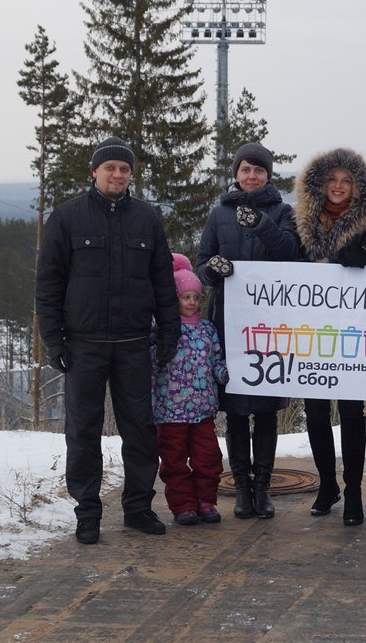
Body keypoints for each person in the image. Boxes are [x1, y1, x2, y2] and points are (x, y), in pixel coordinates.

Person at [35, 135, 180, 544]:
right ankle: (88, 513)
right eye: (110, 167)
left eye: (124, 168)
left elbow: (163, 283)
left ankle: (137, 508)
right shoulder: (66, 218)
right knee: (83, 431)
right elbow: (48, 285)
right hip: (84, 345)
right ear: (94, 171)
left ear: (131, 175)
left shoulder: (147, 220)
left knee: (140, 430)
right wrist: (55, 340)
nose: (118, 174)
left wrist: (169, 332)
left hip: (134, 343)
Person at [195, 142, 299, 520]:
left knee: (267, 411)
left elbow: (291, 253)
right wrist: (214, 269)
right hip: (229, 323)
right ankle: (241, 488)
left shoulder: (283, 212)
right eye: (245, 170)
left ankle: (263, 489)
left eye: (258, 170)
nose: (251, 176)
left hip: (272, 326)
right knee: (236, 410)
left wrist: (262, 225)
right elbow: (201, 264)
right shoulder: (219, 213)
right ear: (236, 173)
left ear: (268, 175)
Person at [294, 147, 366, 526]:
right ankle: (327, 485)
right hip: (312, 331)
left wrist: (362, 256)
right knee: (314, 411)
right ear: (320, 183)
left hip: (352, 334)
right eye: (332, 179)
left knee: (350, 412)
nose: (339, 186)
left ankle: (354, 491)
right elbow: (283, 261)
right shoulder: (299, 223)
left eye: (347, 181)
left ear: (357, 187)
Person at [151, 254, 228, 526]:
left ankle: (206, 501)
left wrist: (223, 373)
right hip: (170, 412)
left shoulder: (207, 330)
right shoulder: (161, 330)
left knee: (208, 459)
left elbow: (216, 360)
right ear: (174, 299)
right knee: (174, 462)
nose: (192, 302)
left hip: (202, 410)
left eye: (196, 296)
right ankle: (183, 505)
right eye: (186, 297)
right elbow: (151, 361)